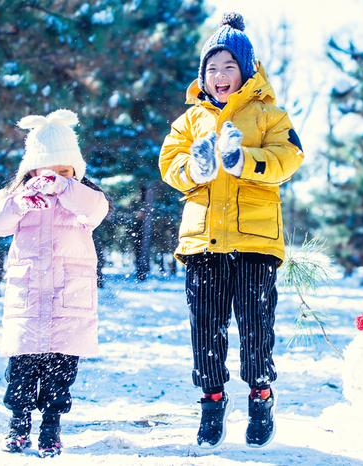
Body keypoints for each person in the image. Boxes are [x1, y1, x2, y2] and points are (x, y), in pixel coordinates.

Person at [159, 12, 305, 449]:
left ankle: (261, 397)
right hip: (203, 242)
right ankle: (212, 400)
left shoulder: (267, 115)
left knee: (256, 325)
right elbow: (170, 165)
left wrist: (247, 162)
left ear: (246, 70)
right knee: (205, 327)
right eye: (211, 68)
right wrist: (196, 169)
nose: (219, 76)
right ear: (202, 75)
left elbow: (290, 157)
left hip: (256, 243)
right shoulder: (189, 121)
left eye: (228, 67)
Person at [0, 109, 110, 458]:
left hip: (67, 301)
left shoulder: (84, 198)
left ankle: (51, 425)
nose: (53, 178)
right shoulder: (17, 200)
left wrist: (66, 188)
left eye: (64, 171)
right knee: (21, 372)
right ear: (31, 171)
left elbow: (97, 210)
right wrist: (19, 205)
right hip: (27, 302)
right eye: (46, 171)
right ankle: (19, 423)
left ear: (75, 172)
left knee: (59, 373)